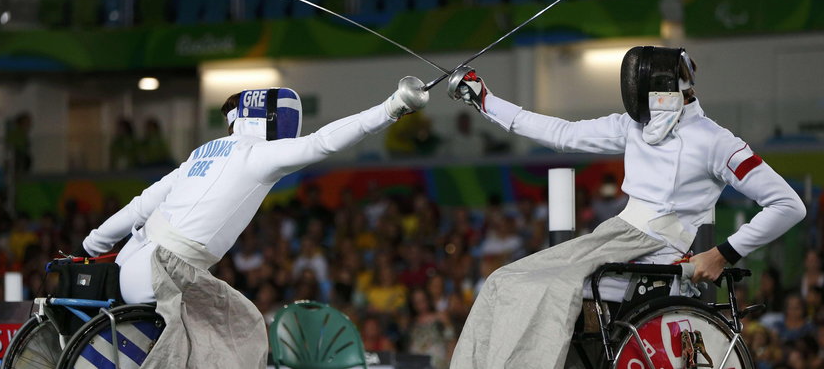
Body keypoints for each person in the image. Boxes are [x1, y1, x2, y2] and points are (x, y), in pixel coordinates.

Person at [446, 46, 807, 368]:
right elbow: (560, 133)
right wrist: (485, 100)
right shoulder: (634, 126)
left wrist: (721, 254)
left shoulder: (717, 142)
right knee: (503, 281)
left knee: (544, 289)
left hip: (658, 253)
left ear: (664, 91)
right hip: (614, 236)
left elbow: (788, 204)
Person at [77, 78, 429, 368]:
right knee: (245, 327)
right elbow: (322, 143)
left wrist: (92, 244)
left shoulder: (202, 152)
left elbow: (140, 206)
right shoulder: (256, 154)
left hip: (129, 262)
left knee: (207, 335)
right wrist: (390, 108)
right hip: (164, 271)